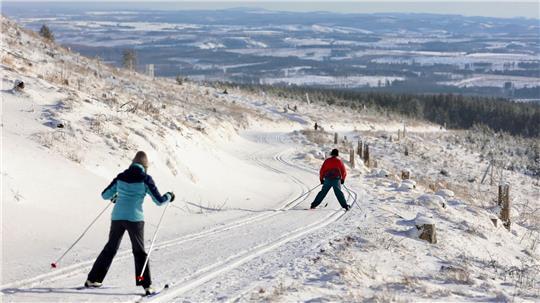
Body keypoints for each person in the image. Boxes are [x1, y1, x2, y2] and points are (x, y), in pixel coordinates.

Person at [85, 151, 175, 295]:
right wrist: (169, 196)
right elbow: (159, 201)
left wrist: (116, 197)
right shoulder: (146, 179)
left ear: (132, 163)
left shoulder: (121, 176)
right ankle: (146, 285)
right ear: (145, 166)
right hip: (135, 219)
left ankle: (93, 279)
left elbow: (104, 195)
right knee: (139, 251)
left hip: (117, 218)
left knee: (110, 248)